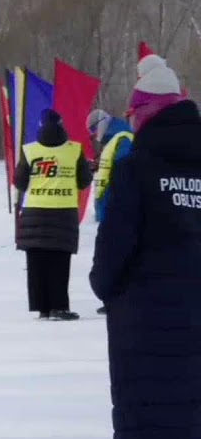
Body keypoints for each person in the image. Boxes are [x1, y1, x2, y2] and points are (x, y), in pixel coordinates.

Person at [89, 52, 201, 439]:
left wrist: (104, 283)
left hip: (146, 305)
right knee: (196, 392)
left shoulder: (139, 166)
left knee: (149, 393)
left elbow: (118, 236)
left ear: (146, 112)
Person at [13, 108, 93, 321]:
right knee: (59, 260)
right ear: (61, 125)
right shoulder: (74, 150)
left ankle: (42, 307)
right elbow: (84, 181)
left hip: (34, 211)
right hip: (63, 212)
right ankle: (59, 306)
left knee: (36, 260)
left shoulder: (29, 151)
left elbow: (19, 182)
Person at [88, 108, 135, 315]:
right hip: (109, 207)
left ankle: (119, 298)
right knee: (110, 259)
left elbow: (123, 170)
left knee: (117, 257)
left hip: (117, 208)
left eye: (93, 131)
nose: (93, 136)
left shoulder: (122, 137)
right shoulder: (112, 140)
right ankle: (114, 298)